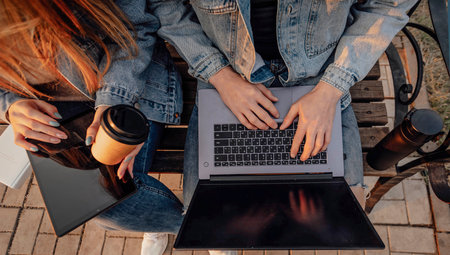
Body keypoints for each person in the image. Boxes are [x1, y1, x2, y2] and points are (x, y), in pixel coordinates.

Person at [182, 0, 417, 254]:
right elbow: (164, 6)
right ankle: (225, 244)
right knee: (209, 222)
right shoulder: (223, 76)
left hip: (319, 76)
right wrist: (220, 75)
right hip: (228, 73)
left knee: (340, 219)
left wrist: (331, 89)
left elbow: (389, 6)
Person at [0, 0, 228, 254]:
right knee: (104, 211)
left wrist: (114, 100)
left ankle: (196, 228)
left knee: (114, 200)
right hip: (60, 120)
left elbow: (136, 29)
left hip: (132, 88)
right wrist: (11, 104)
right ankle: (193, 228)